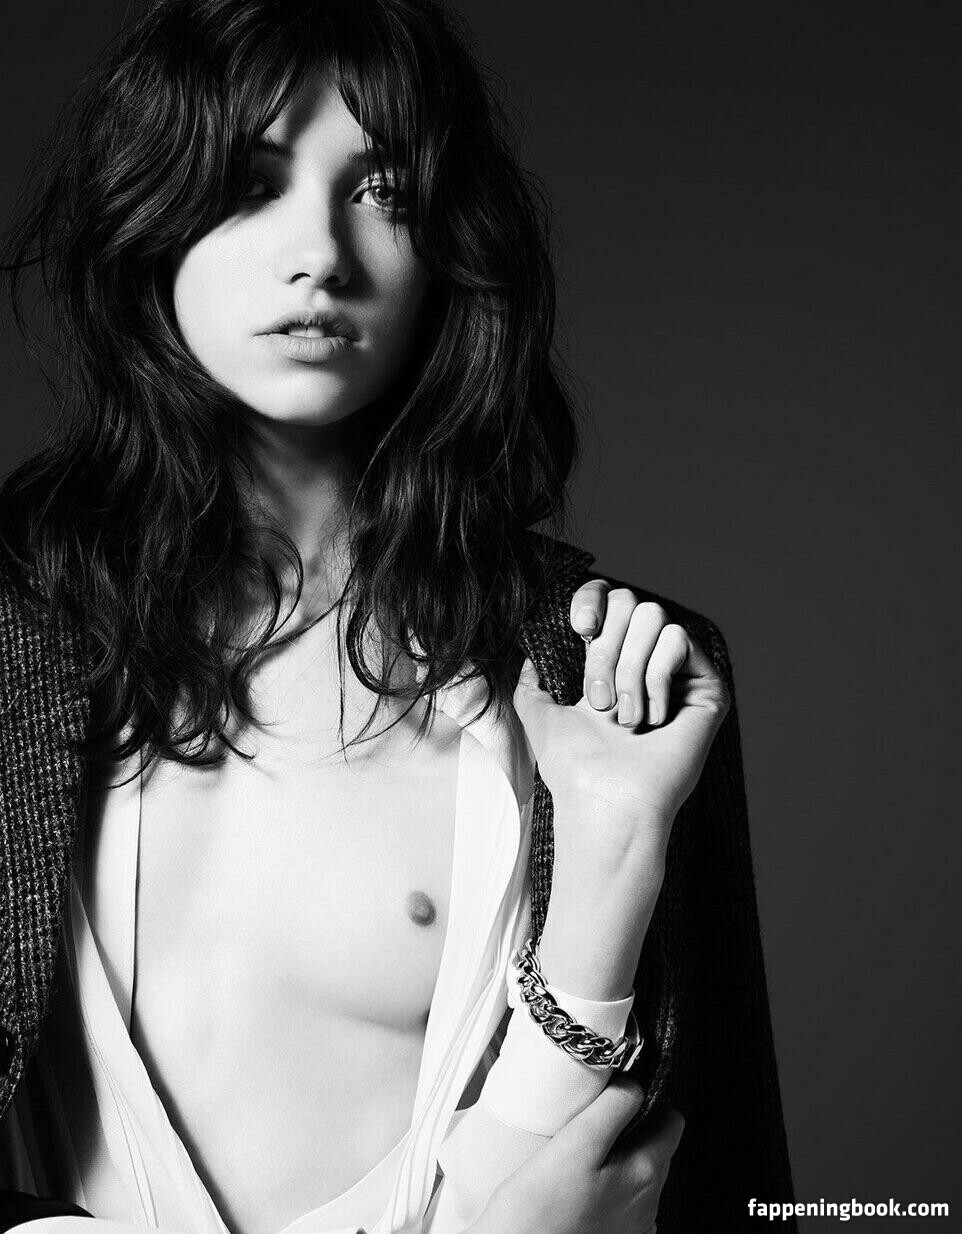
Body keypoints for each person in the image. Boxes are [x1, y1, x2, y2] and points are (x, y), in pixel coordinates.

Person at [0, 1, 796, 1231]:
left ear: (445, 247)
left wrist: (613, 834)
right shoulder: (16, 634)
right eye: (247, 183)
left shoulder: (605, 674)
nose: (318, 252)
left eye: (382, 191)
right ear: (148, 216)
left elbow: (732, 1189)